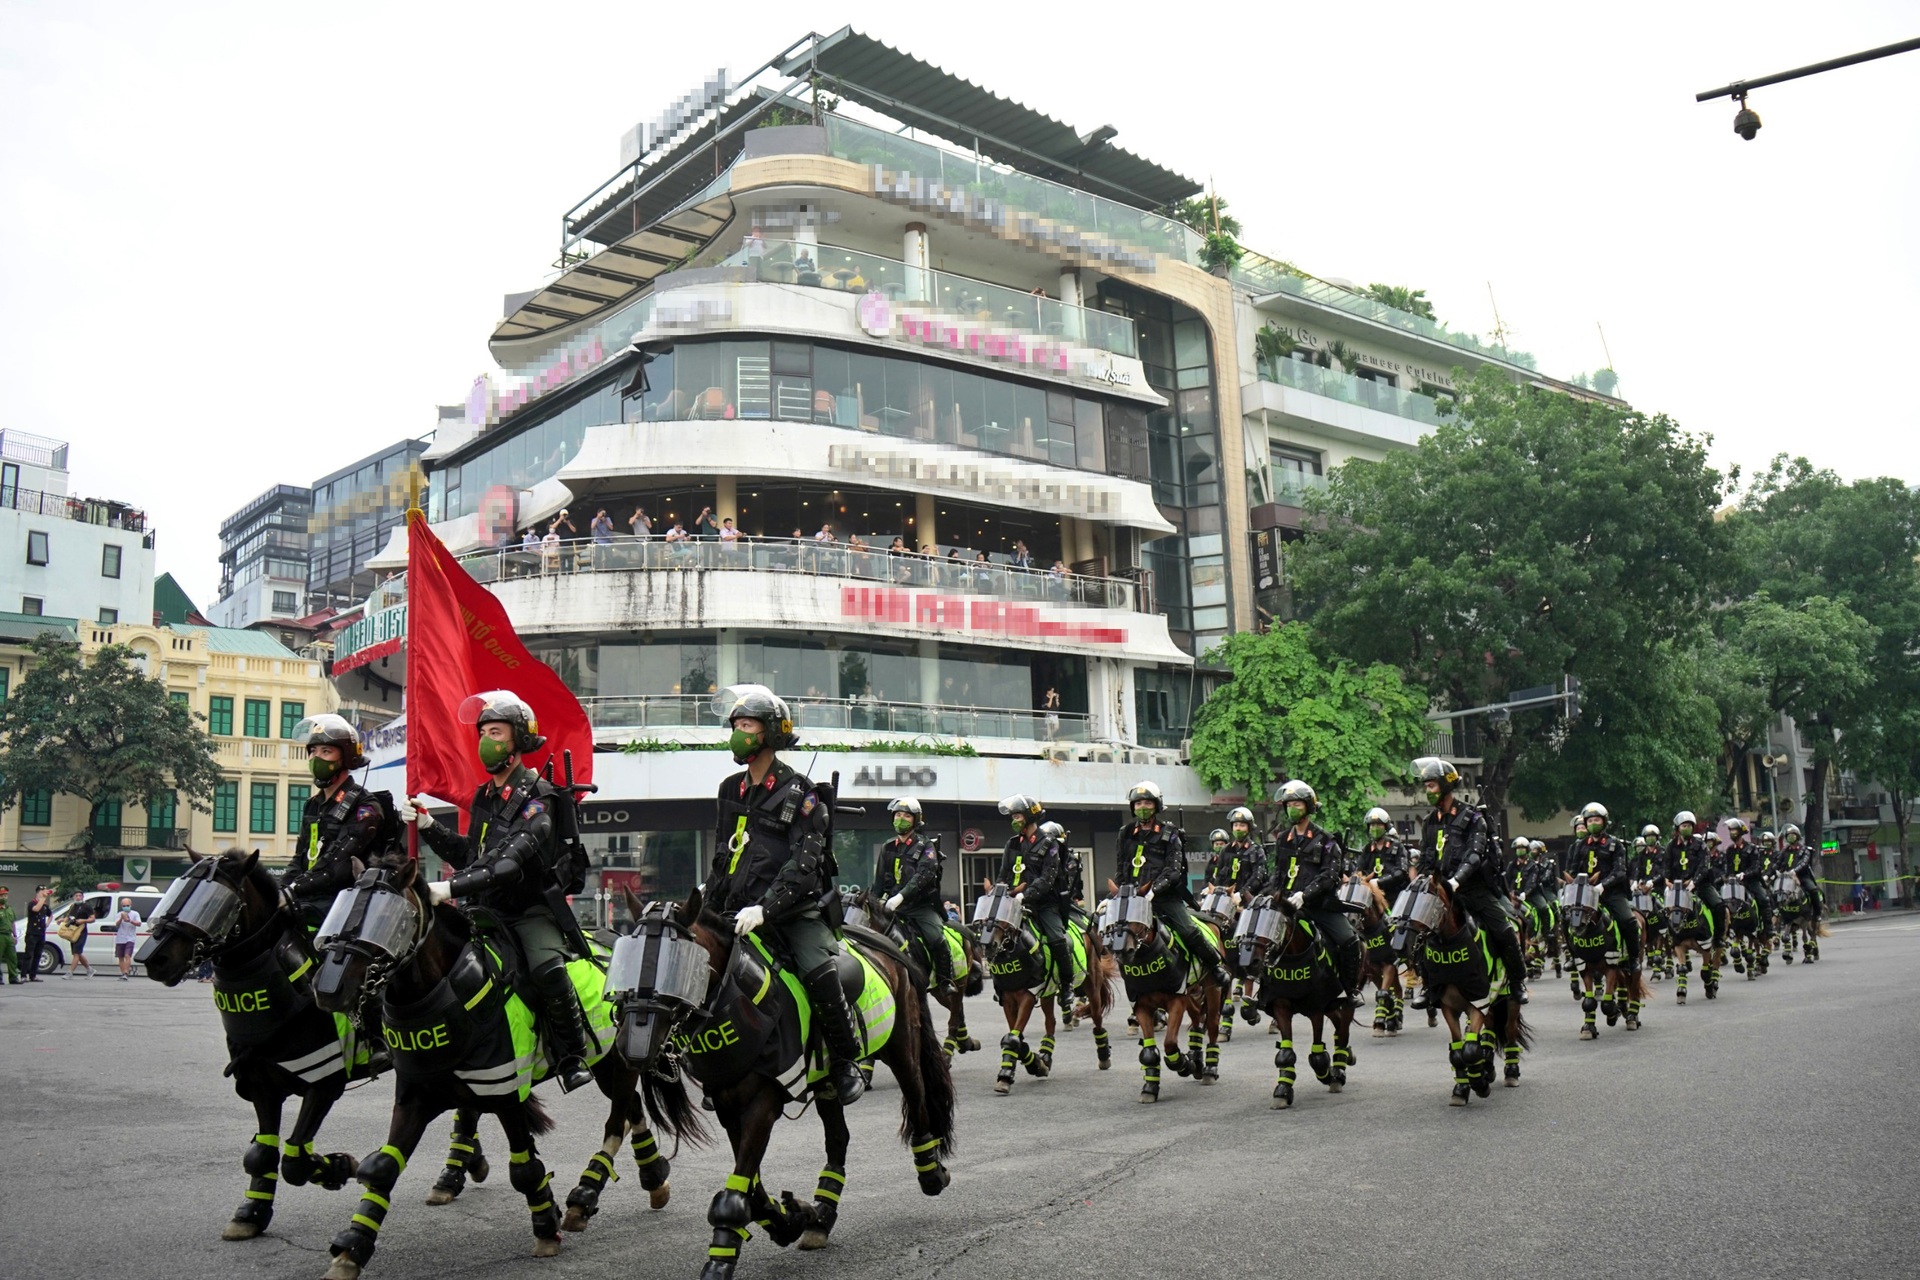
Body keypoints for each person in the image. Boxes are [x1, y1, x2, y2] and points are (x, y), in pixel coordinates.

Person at [402, 691, 595, 1094]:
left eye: (497, 732)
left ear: (520, 739)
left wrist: (448, 887)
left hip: (530, 911)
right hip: (485, 912)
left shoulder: (538, 797)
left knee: (548, 970)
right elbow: (473, 855)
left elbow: (507, 866)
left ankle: (572, 1054)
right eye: (483, 732)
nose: (487, 740)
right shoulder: (484, 796)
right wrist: (428, 827)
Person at [699, 684, 865, 1105]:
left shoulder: (801, 793)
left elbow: (803, 867)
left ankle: (846, 1060)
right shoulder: (728, 789)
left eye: (748, 724)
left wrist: (765, 908)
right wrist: (706, 896)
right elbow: (725, 854)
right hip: (735, 910)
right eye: (735, 725)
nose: (738, 732)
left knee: (819, 973)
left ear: (772, 732)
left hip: (792, 913)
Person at [1414, 757, 1527, 1003]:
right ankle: (1428, 986)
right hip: (1439, 893)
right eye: (1426, 786)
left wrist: (1456, 881)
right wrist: (1424, 879)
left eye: (1431, 785)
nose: (1427, 791)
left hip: (1471, 889)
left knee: (1505, 930)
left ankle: (1518, 981)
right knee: (1415, 931)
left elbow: (1474, 855)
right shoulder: (1430, 822)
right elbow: (1425, 857)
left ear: (1445, 785)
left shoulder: (1473, 817)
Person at [1115, 781, 1230, 990]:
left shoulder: (1170, 833)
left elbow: (1174, 871)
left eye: (1147, 803)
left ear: (1157, 806)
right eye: (1138, 803)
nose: (1142, 807)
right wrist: (1121, 894)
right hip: (1133, 901)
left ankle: (1215, 966)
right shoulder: (1125, 833)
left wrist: (1153, 890)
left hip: (1165, 897)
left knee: (1189, 931)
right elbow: (1121, 868)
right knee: (1111, 931)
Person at [1263, 780, 1362, 1005]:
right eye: (1288, 805)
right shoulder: (1282, 839)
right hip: (1286, 907)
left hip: (1318, 906)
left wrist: (1305, 895)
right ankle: (1264, 992)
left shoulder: (1326, 841)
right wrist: (1273, 894)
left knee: (1349, 940)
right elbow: (1277, 873)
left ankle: (1350, 989)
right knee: (1258, 937)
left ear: (1308, 807)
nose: (1291, 809)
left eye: (1296, 804)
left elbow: (1330, 875)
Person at [993, 795, 1071, 989]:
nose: (1014, 821)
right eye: (1013, 817)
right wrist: (1000, 891)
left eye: (1017, 816)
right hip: (1012, 904)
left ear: (1029, 817)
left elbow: (1047, 878)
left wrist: (1024, 895)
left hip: (1044, 904)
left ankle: (1067, 985)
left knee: (1057, 938)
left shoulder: (1049, 843)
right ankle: (1001, 985)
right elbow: (1003, 874)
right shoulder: (1012, 844)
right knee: (991, 933)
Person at [874, 798, 951, 989]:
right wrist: (873, 902)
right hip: (893, 909)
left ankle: (944, 980)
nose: (901, 819)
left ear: (916, 821)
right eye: (898, 815)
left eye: (907, 816)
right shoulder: (887, 847)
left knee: (936, 938)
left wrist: (901, 897)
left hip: (920, 907)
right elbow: (878, 883)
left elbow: (923, 875)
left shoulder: (925, 846)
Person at [1570, 803, 1640, 968]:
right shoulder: (1579, 846)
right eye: (1590, 820)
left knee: (1628, 921)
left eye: (1597, 820)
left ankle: (1633, 957)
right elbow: (1573, 870)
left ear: (1604, 822)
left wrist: (1602, 886)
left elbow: (1620, 871)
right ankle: (1573, 956)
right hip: (1585, 895)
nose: (1593, 823)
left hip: (1612, 893)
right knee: (1567, 917)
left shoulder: (1615, 844)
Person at [1667, 810, 1725, 948]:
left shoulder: (1700, 845)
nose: (1686, 828)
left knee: (1719, 906)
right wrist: (1667, 881)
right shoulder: (1671, 846)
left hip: (1700, 885)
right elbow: (1666, 866)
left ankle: (1718, 938)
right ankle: (1672, 938)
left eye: (1689, 825)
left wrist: (1694, 881)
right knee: (1663, 910)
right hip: (1677, 887)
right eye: (1683, 826)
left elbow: (1704, 866)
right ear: (1677, 828)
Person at [1207, 805, 1268, 902]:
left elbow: (1258, 877)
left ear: (1249, 827)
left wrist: (1241, 894)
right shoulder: (1225, 850)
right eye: (1235, 825)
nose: (1238, 829)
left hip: (1247, 902)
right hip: (1225, 901)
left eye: (1242, 825)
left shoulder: (1256, 850)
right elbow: (1218, 876)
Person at [1354, 808, 1408, 902]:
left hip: (1395, 895)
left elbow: (1401, 872)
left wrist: (1379, 882)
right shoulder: (1367, 849)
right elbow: (1359, 871)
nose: (1375, 828)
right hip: (1371, 896)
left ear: (1385, 826)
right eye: (1372, 825)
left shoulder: (1397, 847)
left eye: (1379, 824)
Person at [1781, 824, 1822, 917]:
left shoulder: (1804, 850)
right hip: (1787, 878)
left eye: (1793, 835)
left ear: (1797, 837)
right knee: (1776, 892)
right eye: (1788, 836)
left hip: (1802, 877)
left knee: (1813, 891)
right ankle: (1779, 915)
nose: (1790, 838)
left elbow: (1804, 863)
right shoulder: (1785, 851)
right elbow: (1778, 863)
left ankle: (1817, 914)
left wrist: (1795, 871)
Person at [62, 890, 95, 978]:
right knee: (77, 953)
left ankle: (70, 973)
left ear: (83, 897)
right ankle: (89, 969)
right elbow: (69, 917)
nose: (78, 897)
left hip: (81, 931)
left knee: (76, 952)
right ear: (74, 897)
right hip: (73, 931)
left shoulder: (86, 906)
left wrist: (83, 920)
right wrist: (61, 920)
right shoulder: (73, 906)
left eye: (80, 895)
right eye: (76, 895)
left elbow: (92, 918)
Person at [23, 887, 50, 982]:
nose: (46, 892)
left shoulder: (45, 905)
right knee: (28, 954)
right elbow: (36, 909)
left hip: (41, 933)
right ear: (39, 892)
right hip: (32, 933)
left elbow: (50, 915)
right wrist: (42, 898)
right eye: (44, 891)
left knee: (38, 955)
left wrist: (47, 924)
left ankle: (33, 975)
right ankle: (23, 975)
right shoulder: (33, 903)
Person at [112, 896, 142, 980]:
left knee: (127, 955)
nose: (126, 907)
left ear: (131, 905)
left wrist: (130, 921)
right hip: (120, 938)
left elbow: (139, 923)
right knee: (120, 956)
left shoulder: (135, 914)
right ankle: (123, 973)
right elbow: (116, 925)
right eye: (124, 906)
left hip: (130, 938)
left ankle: (126, 973)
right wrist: (121, 918)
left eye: (127, 905)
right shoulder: (119, 914)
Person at [0, 887, 17, 985]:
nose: (4, 897)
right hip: (0, 935)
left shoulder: (9, 908)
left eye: (5, 895)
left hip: (9, 935)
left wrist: (14, 935)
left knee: (12, 957)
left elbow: (13, 923)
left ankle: (13, 977)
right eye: (2, 895)